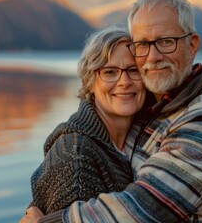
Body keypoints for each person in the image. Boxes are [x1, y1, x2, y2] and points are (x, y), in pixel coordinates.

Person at [26, 0, 202, 223]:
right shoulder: (155, 110)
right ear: (90, 81)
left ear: (192, 45)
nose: (153, 57)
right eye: (143, 44)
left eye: (166, 41)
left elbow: (141, 210)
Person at [19, 25, 151, 222]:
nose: (124, 81)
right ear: (90, 81)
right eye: (109, 72)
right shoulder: (77, 156)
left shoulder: (146, 137)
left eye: (134, 70)